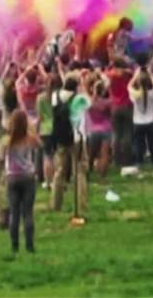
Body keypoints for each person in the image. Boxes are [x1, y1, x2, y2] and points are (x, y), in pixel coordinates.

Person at [50, 74, 90, 218]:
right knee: (79, 171)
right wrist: (83, 87)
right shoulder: (79, 99)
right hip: (77, 137)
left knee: (59, 171)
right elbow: (88, 102)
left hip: (61, 137)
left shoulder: (55, 96)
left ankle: (55, 203)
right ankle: (81, 205)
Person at [3, 109, 40, 254]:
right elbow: (39, 144)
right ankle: (30, 246)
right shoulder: (29, 138)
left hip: (12, 177)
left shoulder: (7, 140)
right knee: (28, 213)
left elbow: (0, 156)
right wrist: (31, 127)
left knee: (14, 213)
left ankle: (14, 246)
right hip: (28, 177)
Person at [127, 66, 153, 167]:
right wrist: (150, 74)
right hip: (151, 122)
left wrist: (135, 75)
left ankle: (139, 161)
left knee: (138, 144)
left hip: (138, 122)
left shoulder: (136, 94)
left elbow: (129, 86)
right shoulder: (152, 93)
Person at [105, 57, 134, 167]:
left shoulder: (110, 75)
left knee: (116, 134)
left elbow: (105, 73)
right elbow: (134, 72)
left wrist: (110, 66)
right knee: (127, 133)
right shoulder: (128, 74)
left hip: (114, 106)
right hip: (127, 105)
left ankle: (116, 160)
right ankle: (127, 160)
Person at [36, 72, 59, 189]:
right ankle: (56, 180)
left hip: (44, 129)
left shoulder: (40, 98)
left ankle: (47, 182)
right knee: (55, 155)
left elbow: (39, 117)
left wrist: (36, 130)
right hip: (56, 128)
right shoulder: (58, 97)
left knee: (46, 157)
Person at [85, 79, 112, 176]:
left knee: (90, 154)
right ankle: (102, 174)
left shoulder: (90, 102)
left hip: (93, 130)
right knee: (104, 153)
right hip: (106, 128)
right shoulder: (107, 102)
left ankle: (88, 171)